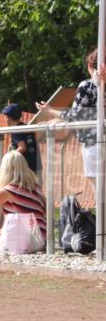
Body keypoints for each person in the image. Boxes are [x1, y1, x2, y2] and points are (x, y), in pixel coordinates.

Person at [38, 47, 104, 206]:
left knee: (101, 195)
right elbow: (91, 115)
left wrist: (50, 111)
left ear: (90, 66)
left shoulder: (87, 87)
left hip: (94, 145)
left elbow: (76, 115)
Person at [1, 103, 40, 176]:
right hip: (36, 165)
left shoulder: (15, 131)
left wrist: (9, 157)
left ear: (7, 118)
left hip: (25, 167)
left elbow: (22, 147)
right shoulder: (26, 127)